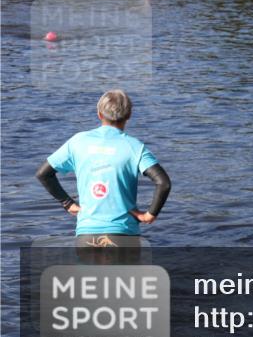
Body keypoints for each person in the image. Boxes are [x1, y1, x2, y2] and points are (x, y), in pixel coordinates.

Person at [35, 90, 171, 247]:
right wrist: (149, 215)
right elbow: (163, 183)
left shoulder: (78, 142)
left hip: (87, 235)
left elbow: (43, 174)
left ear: (99, 114)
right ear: (129, 115)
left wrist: (67, 203)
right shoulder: (135, 147)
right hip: (125, 235)